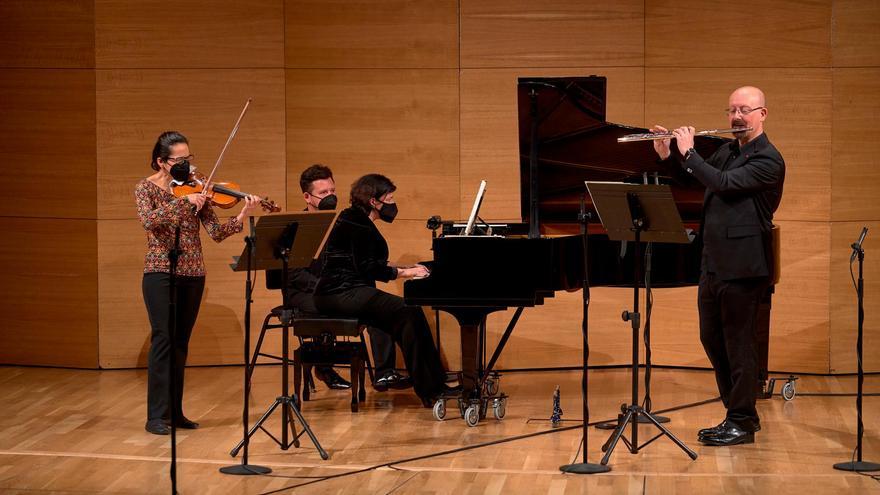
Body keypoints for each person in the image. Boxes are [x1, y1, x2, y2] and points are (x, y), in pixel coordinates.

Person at [653, 86, 785, 446]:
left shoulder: (768, 159)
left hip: (744, 266)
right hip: (713, 262)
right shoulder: (728, 151)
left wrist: (691, 152)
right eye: (732, 110)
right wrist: (670, 156)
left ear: (763, 114)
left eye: (745, 109)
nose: (737, 117)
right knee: (711, 338)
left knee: (739, 344)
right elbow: (701, 183)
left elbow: (724, 185)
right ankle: (738, 414)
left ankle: (741, 420)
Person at [136, 131, 260, 435]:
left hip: (194, 273)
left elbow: (216, 232)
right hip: (160, 270)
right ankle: (156, 415)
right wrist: (184, 202)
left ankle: (175, 412)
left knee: (180, 344)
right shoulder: (145, 188)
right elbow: (148, 220)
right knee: (163, 339)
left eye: (189, 159)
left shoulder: (197, 186)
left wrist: (243, 212)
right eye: (179, 160)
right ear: (162, 162)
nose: (187, 166)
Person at [313, 174, 454, 406]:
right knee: (408, 312)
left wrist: (406, 268)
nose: (392, 203)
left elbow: (368, 263)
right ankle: (431, 389)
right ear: (373, 201)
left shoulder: (358, 219)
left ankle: (434, 384)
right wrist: (407, 273)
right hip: (338, 293)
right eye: (389, 198)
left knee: (408, 314)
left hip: (347, 290)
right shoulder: (354, 221)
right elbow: (370, 269)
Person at [285, 164, 407, 391]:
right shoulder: (297, 227)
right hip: (303, 292)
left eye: (332, 191)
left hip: (334, 288)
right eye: (323, 193)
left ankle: (384, 373)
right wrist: (330, 286)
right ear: (307, 197)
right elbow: (295, 275)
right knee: (353, 303)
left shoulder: (340, 223)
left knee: (376, 304)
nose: (330, 197)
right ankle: (323, 365)